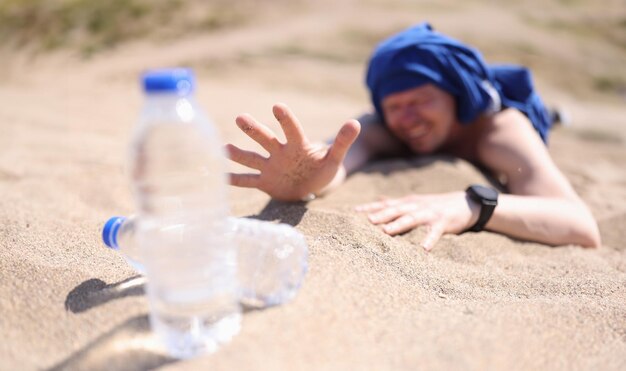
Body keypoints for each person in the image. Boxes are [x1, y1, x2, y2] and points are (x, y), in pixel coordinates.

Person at [225, 23, 601, 250]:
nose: (407, 119)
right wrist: (309, 182)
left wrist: (472, 205)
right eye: (394, 106)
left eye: (421, 100)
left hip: (514, 115)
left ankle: (553, 114)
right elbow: (333, 164)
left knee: (545, 118)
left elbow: (580, 224)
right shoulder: (384, 127)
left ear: (454, 95)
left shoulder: (500, 131)